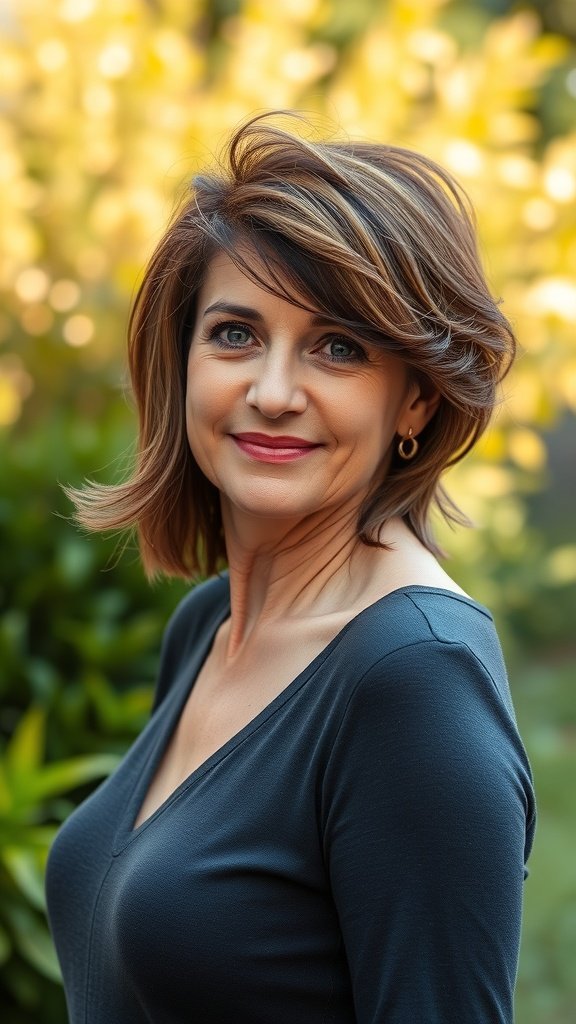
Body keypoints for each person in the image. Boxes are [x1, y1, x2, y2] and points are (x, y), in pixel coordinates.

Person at [46, 111, 535, 1024]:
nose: (272, 393)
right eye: (235, 334)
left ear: (417, 399)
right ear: (183, 360)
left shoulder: (414, 680)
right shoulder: (210, 625)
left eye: (338, 347)